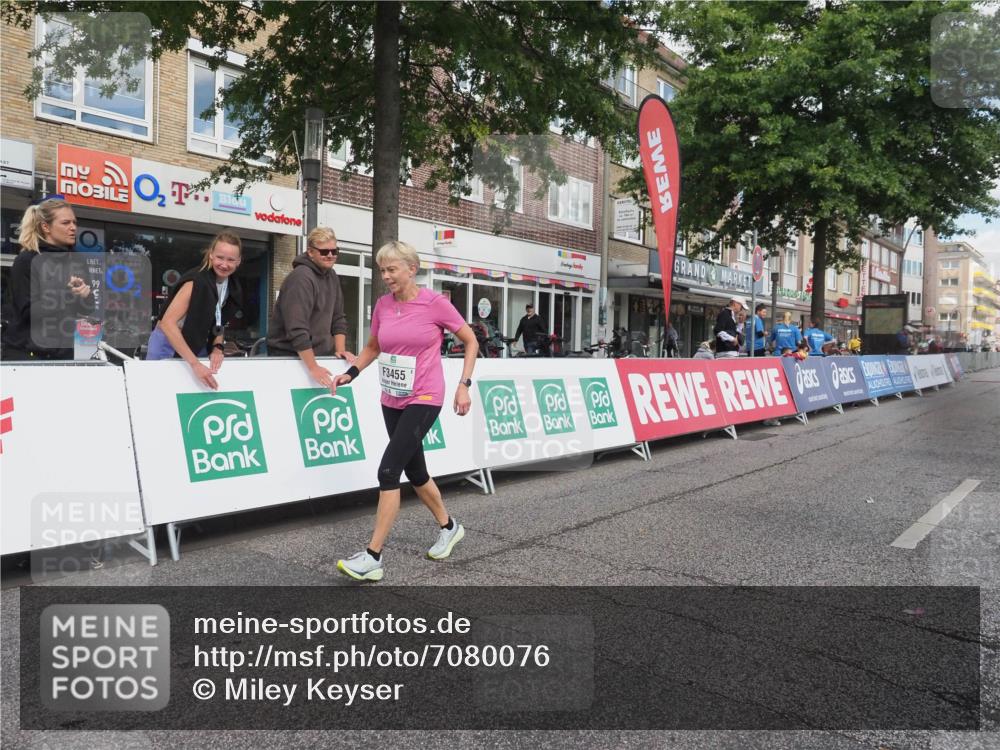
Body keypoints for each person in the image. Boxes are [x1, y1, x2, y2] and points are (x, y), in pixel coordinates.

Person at [334, 241, 479, 582]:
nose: (386, 277)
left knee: (388, 471)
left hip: (425, 397)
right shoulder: (383, 305)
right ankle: (449, 527)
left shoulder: (435, 303)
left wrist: (464, 384)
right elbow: (373, 347)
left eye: (392, 270)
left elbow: (470, 340)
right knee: (416, 473)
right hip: (392, 398)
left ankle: (372, 558)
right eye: (382, 270)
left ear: (411, 269)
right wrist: (352, 373)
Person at [146, 230, 243, 389]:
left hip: (197, 343)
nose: (224, 264)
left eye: (231, 260)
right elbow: (167, 324)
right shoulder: (196, 281)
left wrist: (218, 347)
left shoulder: (232, 286)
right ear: (211, 255)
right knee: (160, 394)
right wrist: (195, 364)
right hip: (168, 344)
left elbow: (218, 321)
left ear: (238, 261)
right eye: (220, 257)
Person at [2, 199, 94, 360]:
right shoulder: (26, 261)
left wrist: (85, 295)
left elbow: (87, 309)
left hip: (65, 355)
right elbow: (28, 313)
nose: (73, 227)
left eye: (74, 222)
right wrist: (67, 294)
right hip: (27, 356)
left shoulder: (77, 261)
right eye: (65, 223)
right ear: (46, 227)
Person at [267, 227, 356, 387]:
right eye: (324, 251)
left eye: (334, 251)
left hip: (318, 357)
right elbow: (296, 328)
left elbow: (338, 317)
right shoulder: (301, 278)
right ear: (310, 252)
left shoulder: (332, 276)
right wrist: (313, 367)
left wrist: (340, 349)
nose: (330, 255)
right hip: (289, 358)